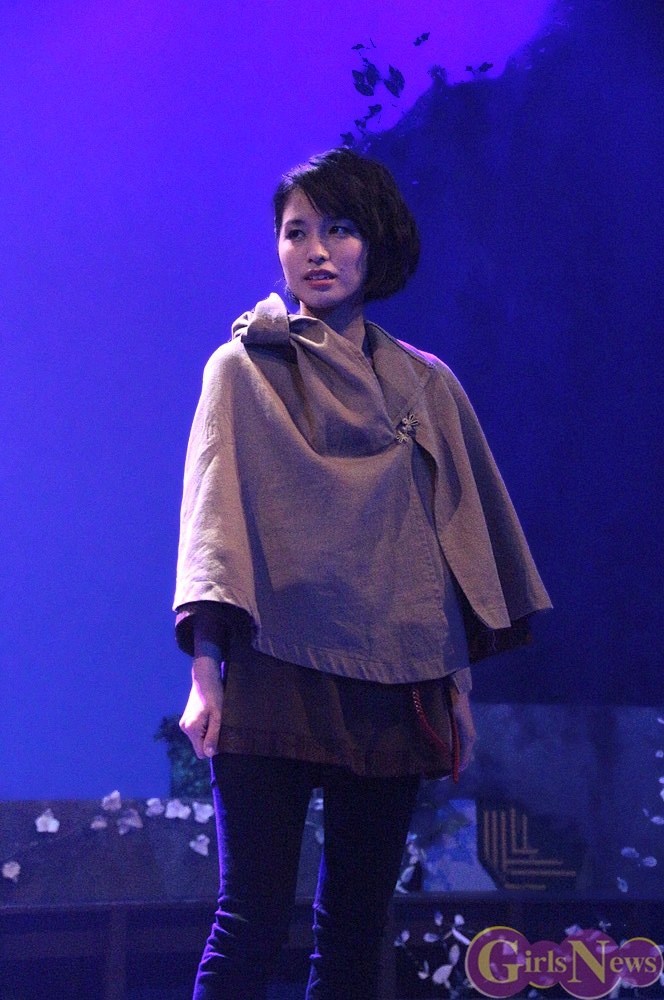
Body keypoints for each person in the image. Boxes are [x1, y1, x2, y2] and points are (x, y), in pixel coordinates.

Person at [174, 148, 551, 1000]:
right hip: (272, 666)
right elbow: (212, 525)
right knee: (249, 921)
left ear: (375, 242)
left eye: (338, 229)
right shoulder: (241, 369)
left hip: (394, 675)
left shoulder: (424, 385)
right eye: (295, 231)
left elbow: (449, 543)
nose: (315, 250)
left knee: (353, 933)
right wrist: (206, 673)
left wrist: (455, 685)